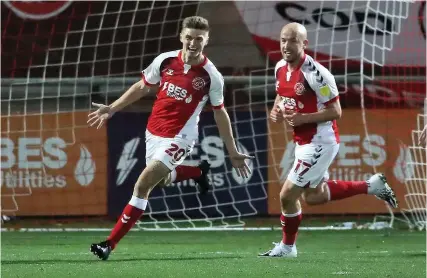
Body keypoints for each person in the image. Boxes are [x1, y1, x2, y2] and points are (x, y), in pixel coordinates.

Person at [87, 16, 253, 260]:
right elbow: (143, 86)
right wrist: (112, 108)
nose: (193, 43)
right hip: (153, 132)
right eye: (189, 37)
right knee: (161, 181)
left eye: (199, 38)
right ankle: (197, 172)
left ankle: (109, 244)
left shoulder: (211, 76)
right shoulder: (165, 60)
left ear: (206, 41)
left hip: (180, 137)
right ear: (181, 37)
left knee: (143, 185)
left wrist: (232, 150)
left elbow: (220, 113)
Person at [260, 22, 398, 258]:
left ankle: (287, 248)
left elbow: (336, 111)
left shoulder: (316, 74)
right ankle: (371, 185)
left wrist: (304, 118)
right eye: (283, 40)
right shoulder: (280, 67)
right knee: (315, 196)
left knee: (286, 196)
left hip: (320, 141)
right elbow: (281, 95)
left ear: (304, 44)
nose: (286, 45)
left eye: (292, 40)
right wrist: (277, 110)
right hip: (303, 141)